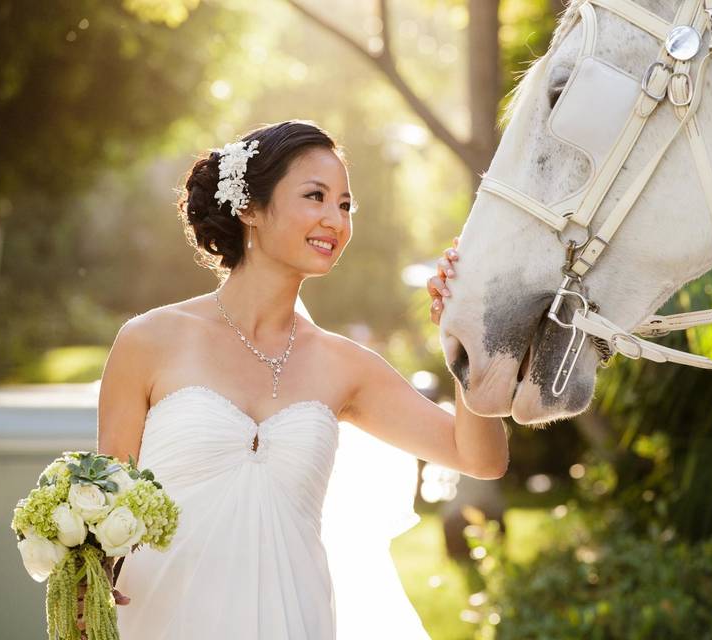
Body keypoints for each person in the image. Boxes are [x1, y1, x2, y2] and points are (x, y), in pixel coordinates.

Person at [80, 119, 507, 639]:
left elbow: (480, 458)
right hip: (160, 616)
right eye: (316, 196)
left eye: (346, 205)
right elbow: (103, 507)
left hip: (292, 619)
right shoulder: (150, 340)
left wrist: (464, 335)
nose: (336, 219)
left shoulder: (345, 366)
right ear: (249, 208)